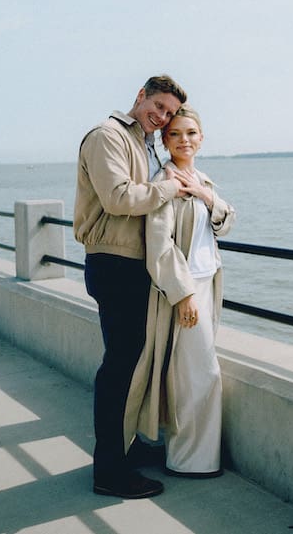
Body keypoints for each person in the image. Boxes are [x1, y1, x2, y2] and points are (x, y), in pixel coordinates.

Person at [74, 75, 188, 499]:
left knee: (132, 364)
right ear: (140, 96)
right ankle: (109, 471)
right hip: (113, 263)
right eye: (158, 107)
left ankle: (126, 447)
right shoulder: (108, 136)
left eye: (169, 114)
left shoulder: (145, 141)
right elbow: (119, 197)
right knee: (119, 367)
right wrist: (169, 187)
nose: (161, 117)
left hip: (133, 264)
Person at [124, 105, 235, 478]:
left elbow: (227, 221)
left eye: (190, 133)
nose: (183, 140)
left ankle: (192, 457)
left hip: (208, 284)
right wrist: (183, 295)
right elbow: (160, 246)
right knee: (199, 374)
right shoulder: (164, 183)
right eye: (175, 134)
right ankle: (190, 460)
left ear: (201, 139)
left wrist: (205, 196)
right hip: (184, 292)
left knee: (195, 372)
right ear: (165, 140)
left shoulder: (202, 180)